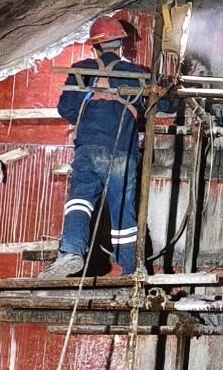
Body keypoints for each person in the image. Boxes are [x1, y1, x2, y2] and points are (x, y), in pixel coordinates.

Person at [43, 15, 169, 278]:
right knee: (122, 208)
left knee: (79, 201)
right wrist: (166, 85)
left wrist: (91, 107)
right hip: (121, 151)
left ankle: (72, 251)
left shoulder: (81, 69)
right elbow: (164, 105)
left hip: (87, 148)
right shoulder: (136, 74)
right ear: (120, 45)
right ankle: (130, 269)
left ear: (95, 46)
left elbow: (66, 109)